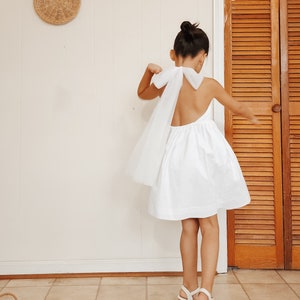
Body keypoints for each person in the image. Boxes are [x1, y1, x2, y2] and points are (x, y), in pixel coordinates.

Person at [129, 21, 258, 300]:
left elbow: (142, 94)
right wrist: (252, 114)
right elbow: (236, 106)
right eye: (202, 59)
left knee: (188, 225)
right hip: (199, 160)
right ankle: (205, 292)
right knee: (209, 225)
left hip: (174, 157)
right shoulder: (208, 84)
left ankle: (187, 287)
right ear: (202, 57)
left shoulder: (166, 82)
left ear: (173, 54)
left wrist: (149, 71)